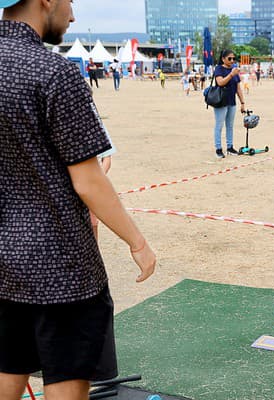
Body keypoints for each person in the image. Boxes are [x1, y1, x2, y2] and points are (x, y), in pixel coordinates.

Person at [0, 2, 156, 400]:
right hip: (61, 268)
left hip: (4, 262)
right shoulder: (54, 71)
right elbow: (88, 179)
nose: (72, 15)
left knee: (7, 371)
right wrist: (137, 242)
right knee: (65, 380)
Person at [213, 49, 246, 158]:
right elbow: (220, 82)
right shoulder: (219, 69)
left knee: (230, 126)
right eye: (229, 58)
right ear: (223, 59)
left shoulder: (234, 70)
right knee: (219, 125)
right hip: (221, 101)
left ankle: (230, 147)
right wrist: (231, 75)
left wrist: (242, 102)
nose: (232, 60)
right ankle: (218, 148)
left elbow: (238, 88)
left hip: (232, 102)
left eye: (233, 58)